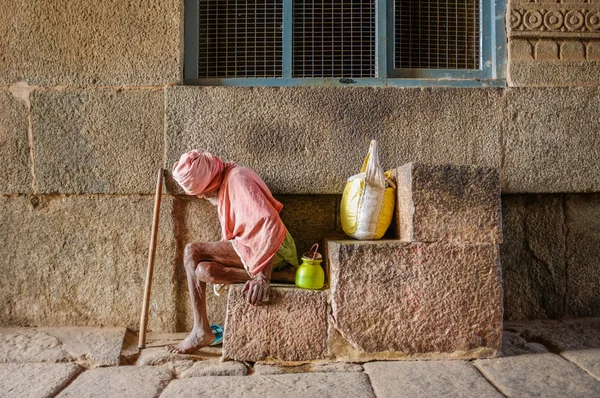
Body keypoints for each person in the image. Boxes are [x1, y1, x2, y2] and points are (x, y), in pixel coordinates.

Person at [167, 150, 298, 354]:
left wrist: (262, 277)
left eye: (200, 192)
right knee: (203, 272)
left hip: (275, 249)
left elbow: (268, 225)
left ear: (208, 184)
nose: (201, 196)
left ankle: (201, 330)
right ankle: (284, 276)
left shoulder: (238, 179)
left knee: (191, 251)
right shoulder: (227, 182)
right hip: (249, 249)